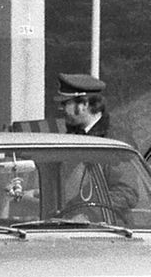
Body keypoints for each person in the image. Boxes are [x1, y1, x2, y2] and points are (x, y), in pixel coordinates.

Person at [55, 73, 140, 224]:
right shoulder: (74, 136)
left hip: (109, 231)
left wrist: (88, 215)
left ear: (84, 105)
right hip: (71, 226)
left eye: (65, 104)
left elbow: (126, 192)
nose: (62, 109)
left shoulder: (114, 141)